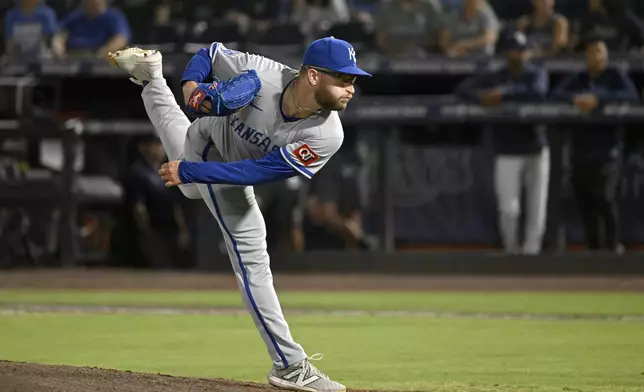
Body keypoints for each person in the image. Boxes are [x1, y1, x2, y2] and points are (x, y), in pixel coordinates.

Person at [108, 36, 371, 391]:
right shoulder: (261, 74)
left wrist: (190, 172)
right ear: (312, 76)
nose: (350, 88)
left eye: (352, 80)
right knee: (252, 257)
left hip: (225, 166)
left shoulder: (327, 134)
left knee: (188, 186)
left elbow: (258, 172)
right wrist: (190, 89)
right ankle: (290, 365)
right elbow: (210, 53)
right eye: (343, 79)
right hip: (210, 146)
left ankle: (151, 79)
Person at [455, 31, 549, 255]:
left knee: (537, 208)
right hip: (507, 147)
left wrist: (503, 95)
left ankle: (531, 254)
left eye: (522, 50)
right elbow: (463, 89)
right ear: (507, 53)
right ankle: (512, 252)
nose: (519, 54)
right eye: (515, 50)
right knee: (508, 208)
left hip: (536, 147)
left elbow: (538, 92)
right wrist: (482, 98)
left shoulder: (535, 73)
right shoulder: (496, 75)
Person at [551, 37, 640, 253]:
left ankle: (613, 246)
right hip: (580, 149)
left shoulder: (615, 76)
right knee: (584, 201)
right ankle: (594, 249)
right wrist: (577, 99)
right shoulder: (579, 78)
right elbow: (555, 95)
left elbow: (631, 96)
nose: (595, 56)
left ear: (606, 56)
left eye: (599, 52)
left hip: (607, 149)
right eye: (591, 52)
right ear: (585, 56)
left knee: (605, 198)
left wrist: (597, 98)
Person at [52, 0, 130, 59]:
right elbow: (60, 35)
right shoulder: (75, 17)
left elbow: (120, 40)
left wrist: (101, 55)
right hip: (71, 58)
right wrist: (59, 49)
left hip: (99, 62)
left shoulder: (114, 17)